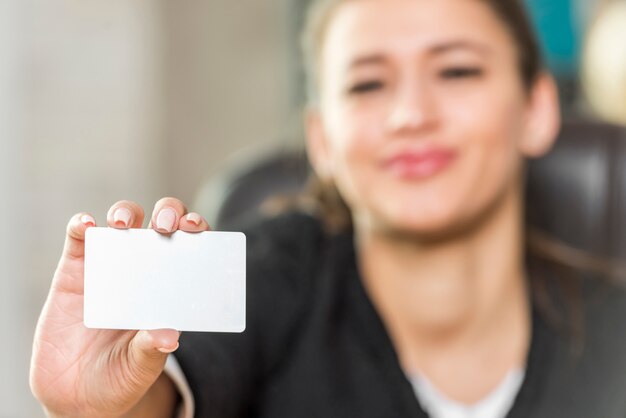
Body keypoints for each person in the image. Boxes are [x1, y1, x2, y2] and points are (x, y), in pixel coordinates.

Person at [30, 0, 626, 417]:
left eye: (457, 70)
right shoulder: (270, 276)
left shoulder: (612, 325)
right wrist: (112, 408)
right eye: (368, 84)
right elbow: (172, 393)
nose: (411, 115)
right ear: (321, 141)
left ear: (537, 108)